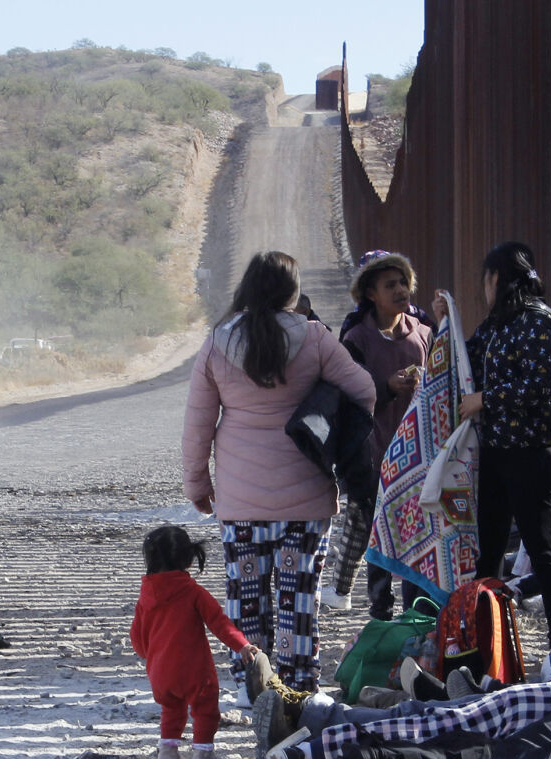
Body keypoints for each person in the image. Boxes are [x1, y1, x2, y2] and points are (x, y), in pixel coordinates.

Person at [183, 251, 376, 695]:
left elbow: (197, 425)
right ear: (292, 291)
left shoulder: (218, 342)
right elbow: (364, 390)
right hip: (306, 499)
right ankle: (299, 689)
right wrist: (323, 418)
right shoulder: (315, 338)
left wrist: (198, 484)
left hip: (241, 500)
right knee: (298, 601)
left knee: (247, 601)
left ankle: (257, 690)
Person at [460, 243, 551, 641]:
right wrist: (445, 324)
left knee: (542, 549)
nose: (484, 288)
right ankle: (486, 643)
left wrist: (485, 400)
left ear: (498, 278)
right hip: (497, 453)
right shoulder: (496, 324)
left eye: (487, 279)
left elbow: (540, 386)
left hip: (533, 454)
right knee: (488, 554)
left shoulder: (538, 321)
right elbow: (466, 356)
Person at [326, 250, 433, 618]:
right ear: (370, 293)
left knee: (416, 532)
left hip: (421, 454)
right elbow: (347, 388)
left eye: (403, 282)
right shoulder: (357, 338)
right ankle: (380, 609)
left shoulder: (424, 333)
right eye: (391, 285)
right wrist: (385, 386)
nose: (401, 290)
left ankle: (416, 610)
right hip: (376, 454)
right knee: (381, 534)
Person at [129, 524, 258, 759]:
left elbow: (137, 636)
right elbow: (219, 623)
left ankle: (167, 754)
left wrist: (151, 657)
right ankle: (203, 754)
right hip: (194, 669)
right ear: (188, 560)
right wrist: (241, 645)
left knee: (171, 708)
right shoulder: (192, 592)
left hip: (159, 671)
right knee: (205, 709)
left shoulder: (145, 595)